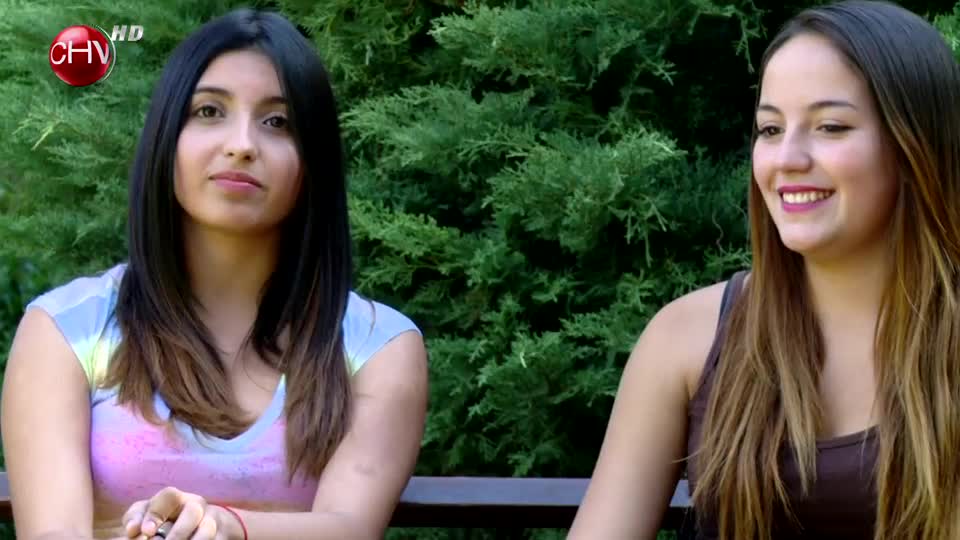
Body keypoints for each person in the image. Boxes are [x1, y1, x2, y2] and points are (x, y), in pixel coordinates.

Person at [1, 8, 428, 540]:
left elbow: (350, 528)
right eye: (209, 111)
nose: (242, 144)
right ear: (166, 139)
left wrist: (227, 527)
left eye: (278, 122)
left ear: (312, 160)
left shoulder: (379, 347)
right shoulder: (64, 330)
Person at [568, 1, 960, 538]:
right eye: (771, 129)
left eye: (830, 126)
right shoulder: (686, 337)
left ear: (916, 146)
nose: (787, 159)